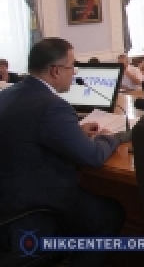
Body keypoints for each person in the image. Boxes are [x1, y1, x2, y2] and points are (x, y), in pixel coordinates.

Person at [0, 38, 128, 266]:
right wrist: (108, 138)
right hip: (35, 209)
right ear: (55, 71)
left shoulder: (8, 94)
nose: (74, 72)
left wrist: (73, 131)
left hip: (7, 203)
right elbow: (93, 157)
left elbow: (29, 132)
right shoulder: (53, 106)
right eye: (72, 66)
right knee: (111, 213)